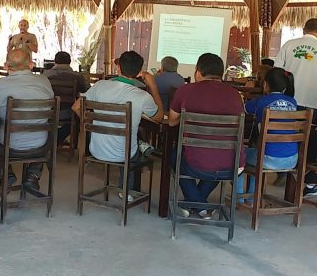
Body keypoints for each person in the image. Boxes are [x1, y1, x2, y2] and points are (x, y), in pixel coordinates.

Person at [74, 51, 164, 200]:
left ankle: (139, 147)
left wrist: (90, 124)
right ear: (139, 73)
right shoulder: (142, 96)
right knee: (134, 145)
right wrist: (153, 87)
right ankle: (126, 190)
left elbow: (76, 107)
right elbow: (159, 117)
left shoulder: (99, 85)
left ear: (118, 68)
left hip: (96, 149)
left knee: (132, 140)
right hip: (124, 153)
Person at [168, 53, 245, 218]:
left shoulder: (185, 90)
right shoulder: (235, 94)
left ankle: (197, 204)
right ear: (222, 73)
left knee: (175, 156)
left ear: (198, 72)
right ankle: (200, 204)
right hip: (231, 165)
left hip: (197, 163)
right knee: (219, 159)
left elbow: (172, 122)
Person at [0, 49, 54, 191]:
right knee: (46, 130)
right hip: (41, 144)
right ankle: (32, 174)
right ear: (31, 65)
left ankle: (6, 175)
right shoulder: (44, 81)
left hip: (7, 145)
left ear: (6, 66)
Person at [236, 67, 299, 202]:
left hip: (268, 158)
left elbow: (243, 109)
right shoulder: (293, 103)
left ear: (265, 84)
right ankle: (252, 197)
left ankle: (239, 197)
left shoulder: (262, 102)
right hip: (292, 159)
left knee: (238, 154)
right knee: (255, 154)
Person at [275, 18, 317, 110]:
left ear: (304, 30)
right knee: (304, 124)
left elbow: (276, 70)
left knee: (285, 124)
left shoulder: (289, 44)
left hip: (286, 97)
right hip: (309, 100)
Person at [43, 51, 90, 145]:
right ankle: (70, 143)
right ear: (70, 62)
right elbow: (86, 91)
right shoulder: (77, 76)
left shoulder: (45, 75)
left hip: (48, 111)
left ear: (55, 61)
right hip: (68, 113)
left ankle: (51, 140)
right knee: (78, 116)